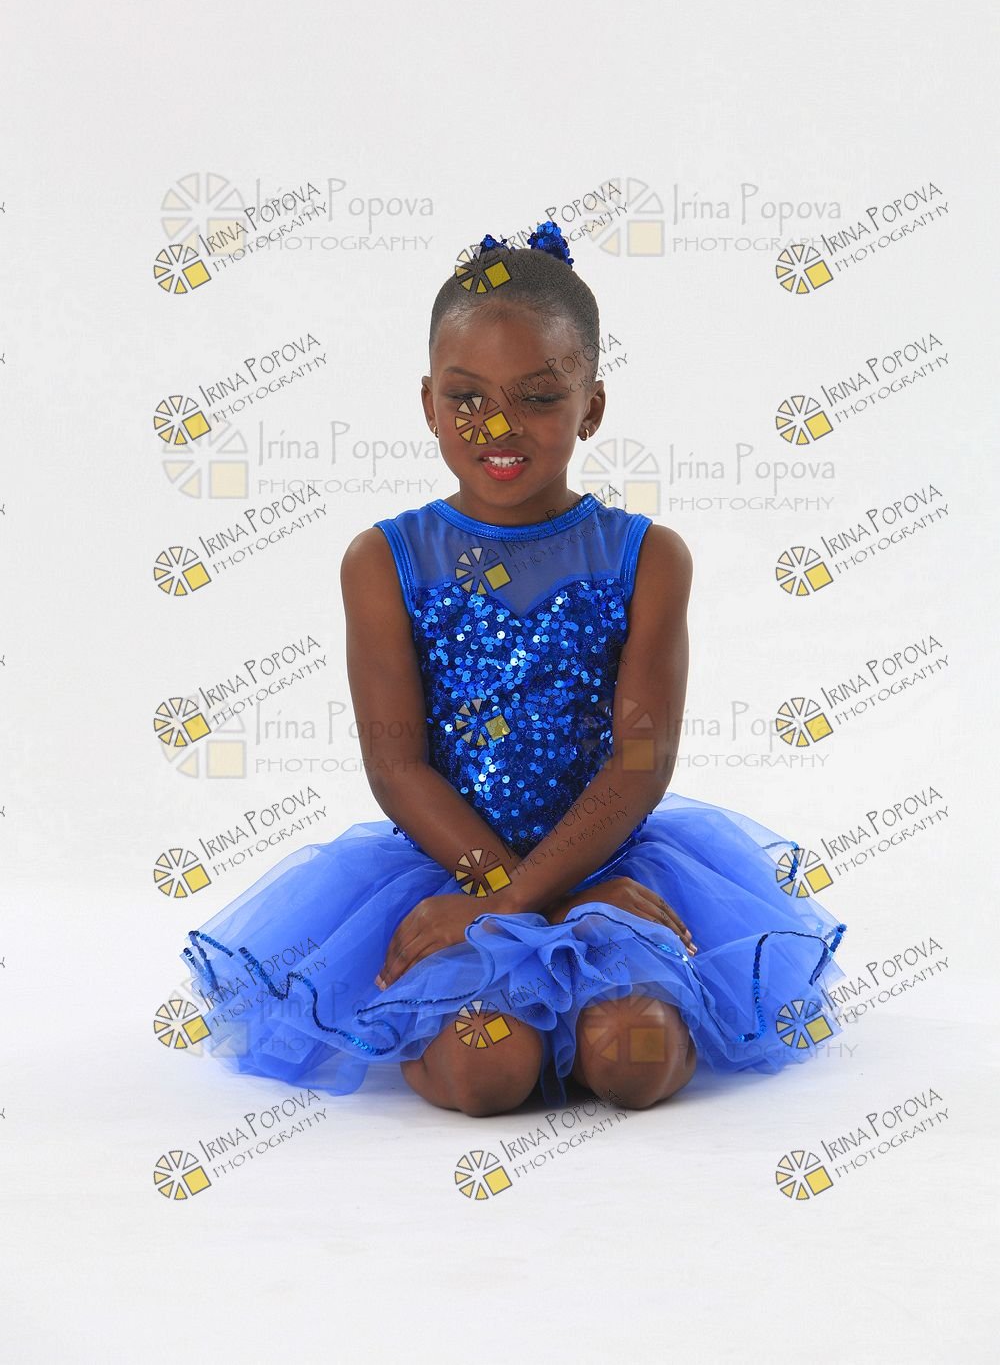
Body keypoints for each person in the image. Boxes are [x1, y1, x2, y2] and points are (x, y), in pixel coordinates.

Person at [181, 221, 847, 1116]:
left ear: (591, 407)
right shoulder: (384, 560)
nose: (496, 425)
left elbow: (640, 760)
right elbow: (397, 765)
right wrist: (508, 901)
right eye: (466, 397)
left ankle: (591, 1005)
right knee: (486, 1073)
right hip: (453, 868)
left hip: (609, 864)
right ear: (427, 402)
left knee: (637, 1060)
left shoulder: (647, 557)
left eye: (537, 397)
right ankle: (505, 1017)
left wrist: (553, 898)